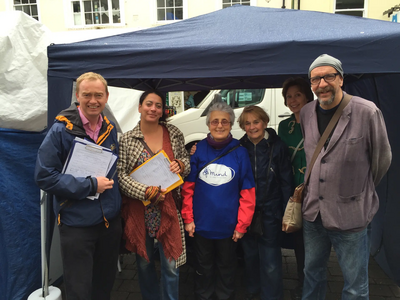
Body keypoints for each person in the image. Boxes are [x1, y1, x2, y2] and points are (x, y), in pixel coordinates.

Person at [301, 54, 392, 299]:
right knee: (312, 273)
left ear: (341, 79)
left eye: (328, 76)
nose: (322, 84)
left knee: (354, 285)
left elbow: (382, 160)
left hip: (351, 216)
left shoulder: (367, 112)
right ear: (311, 84)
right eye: (315, 79)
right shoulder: (307, 112)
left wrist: (357, 189)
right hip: (313, 214)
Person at [34, 72, 122, 300]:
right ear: (77, 96)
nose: (93, 100)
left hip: (109, 223)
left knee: (104, 286)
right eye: (87, 95)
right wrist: (90, 185)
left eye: (98, 95)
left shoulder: (110, 129)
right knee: (79, 290)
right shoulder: (60, 130)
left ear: (107, 96)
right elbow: (44, 176)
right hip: (77, 225)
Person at [117, 89, 190, 300]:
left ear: (162, 110)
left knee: (171, 264)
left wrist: (182, 164)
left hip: (169, 208)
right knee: (144, 263)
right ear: (140, 108)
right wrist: (145, 192)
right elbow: (120, 176)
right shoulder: (128, 139)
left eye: (158, 105)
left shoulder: (173, 133)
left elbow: (186, 162)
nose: (153, 109)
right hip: (140, 210)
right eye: (149, 104)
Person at [181, 101, 255, 300]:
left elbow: (248, 192)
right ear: (208, 124)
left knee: (227, 268)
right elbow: (188, 189)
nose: (219, 125)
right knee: (202, 267)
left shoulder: (240, 152)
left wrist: (242, 225)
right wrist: (188, 218)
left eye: (225, 121)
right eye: (215, 121)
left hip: (229, 227)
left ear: (231, 125)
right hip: (201, 225)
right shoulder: (198, 151)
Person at [238, 106, 293, 300]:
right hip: (245, 213)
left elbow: (287, 182)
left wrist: (286, 213)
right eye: (247, 123)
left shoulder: (278, 147)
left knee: (270, 259)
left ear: (265, 122)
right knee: (250, 256)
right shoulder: (239, 147)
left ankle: (272, 296)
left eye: (256, 122)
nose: (252, 127)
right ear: (243, 126)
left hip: (270, 210)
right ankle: (253, 291)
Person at [278, 77, 314, 297]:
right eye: (289, 96)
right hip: (294, 192)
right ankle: (303, 283)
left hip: (316, 192)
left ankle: (312, 282)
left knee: (315, 242)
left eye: (297, 95)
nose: (293, 100)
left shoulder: (320, 122)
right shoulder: (284, 126)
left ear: (307, 96)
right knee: (300, 240)